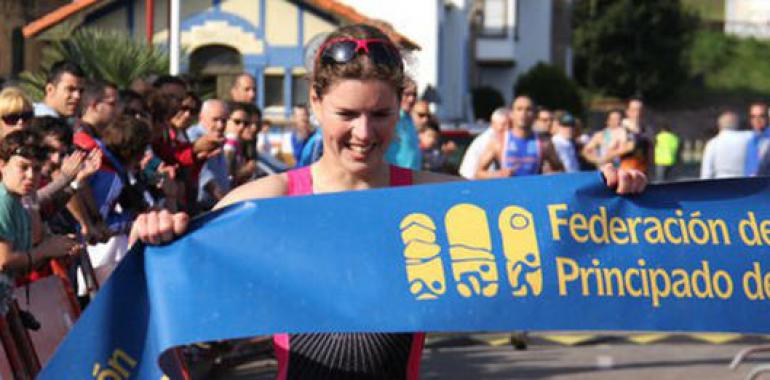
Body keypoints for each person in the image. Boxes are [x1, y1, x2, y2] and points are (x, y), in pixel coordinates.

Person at [130, 24, 647, 379]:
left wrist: (604, 194)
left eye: (380, 115)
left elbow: (536, 214)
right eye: (347, 114)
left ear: (401, 105)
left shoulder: (430, 198)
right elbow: (175, 269)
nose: (364, 133)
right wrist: (152, 233)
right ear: (315, 101)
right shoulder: (269, 201)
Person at [0, 130, 79, 316]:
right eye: (23, 167)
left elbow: (22, 263)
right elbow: (4, 261)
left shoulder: (18, 201)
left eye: (36, 169)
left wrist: (57, 249)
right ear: (2, 166)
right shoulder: (3, 201)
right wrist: (46, 250)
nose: (30, 176)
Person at [475, 96, 563, 178]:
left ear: (535, 115)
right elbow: (478, 173)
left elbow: (561, 171)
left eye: (528, 110)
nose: (523, 114)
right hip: (507, 192)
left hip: (533, 192)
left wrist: (547, 176)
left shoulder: (544, 143)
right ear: (512, 114)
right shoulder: (499, 141)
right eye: (519, 109)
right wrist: (497, 174)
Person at [458, 108, 509, 179]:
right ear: (493, 124)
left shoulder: (501, 138)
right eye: (503, 124)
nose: (507, 128)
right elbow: (484, 172)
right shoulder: (486, 141)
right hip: (472, 183)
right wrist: (501, 174)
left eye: (510, 124)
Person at [701, 111, 752, 179]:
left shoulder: (713, 143)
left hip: (720, 181)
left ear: (719, 125)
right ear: (737, 124)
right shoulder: (748, 137)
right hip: (742, 180)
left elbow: (706, 172)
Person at [385, 77, 422, 170]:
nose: (411, 99)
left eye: (414, 95)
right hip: (395, 175)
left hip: (412, 176)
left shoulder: (409, 119)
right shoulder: (391, 118)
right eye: (407, 94)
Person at [744, 102, 770, 176]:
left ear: (768, 117)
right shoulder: (750, 140)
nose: (757, 120)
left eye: (761, 116)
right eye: (753, 116)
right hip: (751, 185)